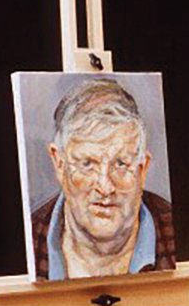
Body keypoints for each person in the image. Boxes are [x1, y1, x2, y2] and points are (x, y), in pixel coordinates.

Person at [29, 78, 175, 280]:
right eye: (88, 164)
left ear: (142, 169)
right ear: (59, 164)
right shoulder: (30, 240)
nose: (105, 187)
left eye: (121, 164)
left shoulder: (172, 232)